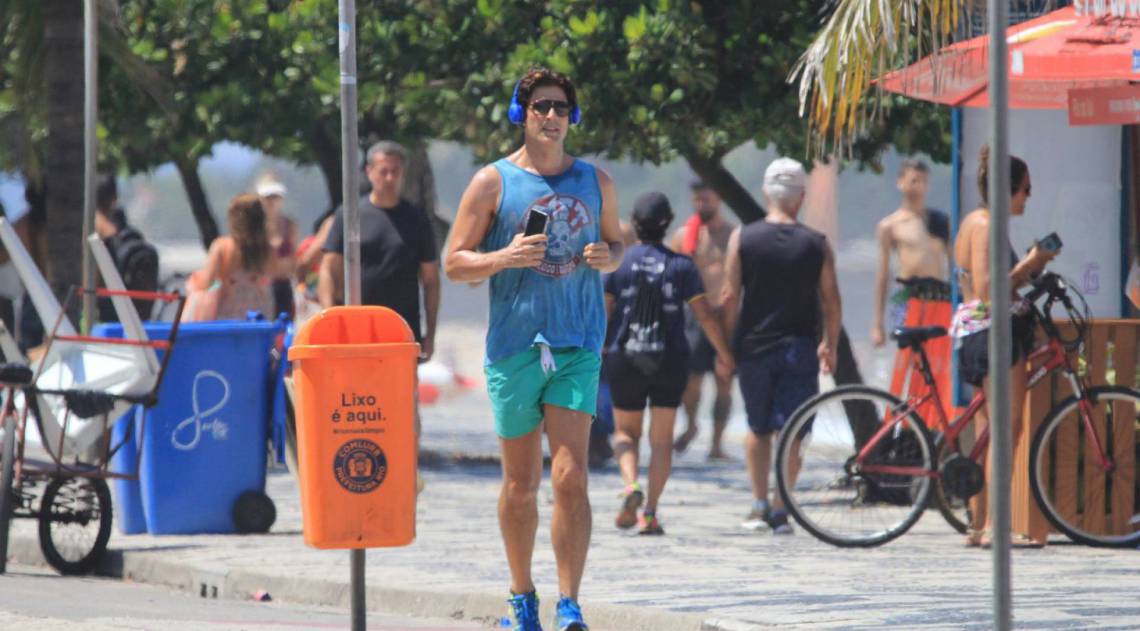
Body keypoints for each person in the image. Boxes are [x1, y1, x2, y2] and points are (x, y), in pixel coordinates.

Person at [444, 66, 624, 631]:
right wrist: (504, 258)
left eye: (561, 108)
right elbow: (454, 262)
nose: (552, 116)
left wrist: (608, 257)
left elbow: (617, 245)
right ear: (522, 114)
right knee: (521, 486)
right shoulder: (492, 183)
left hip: (576, 341)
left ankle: (570, 603)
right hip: (515, 347)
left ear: (574, 117)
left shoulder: (597, 181)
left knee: (570, 477)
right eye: (541, 107)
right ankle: (522, 597)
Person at [721, 158, 842, 535]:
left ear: (765, 193)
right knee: (794, 431)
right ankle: (780, 505)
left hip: (753, 347)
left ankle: (759, 503)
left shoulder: (742, 237)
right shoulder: (816, 243)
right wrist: (830, 343)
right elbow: (831, 300)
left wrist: (725, 349)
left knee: (757, 429)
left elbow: (728, 297)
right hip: (799, 348)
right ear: (801, 197)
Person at [605, 192, 733, 536]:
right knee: (661, 441)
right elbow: (704, 316)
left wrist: (594, 352)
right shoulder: (682, 266)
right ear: (668, 223)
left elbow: (605, 313)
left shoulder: (620, 264)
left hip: (625, 357)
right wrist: (724, 352)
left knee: (624, 434)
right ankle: (649, 513)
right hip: (670, 359)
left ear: (634, 223)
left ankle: (631, 484)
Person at [952, 145, 1054, 547]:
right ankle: (993, 525)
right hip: (993, 333)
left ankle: (979, 526)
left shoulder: (973, 222)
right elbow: (988, 289)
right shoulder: (986, 223)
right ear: (1008, 188)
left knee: (988, 431)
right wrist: (1031, 263)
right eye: (1026, 189)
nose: (1029, 196)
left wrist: (1033, 266)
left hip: (977, 333)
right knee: (1006, 431)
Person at [319, 140, 440, 365]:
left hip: (402, 331)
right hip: (355, 329)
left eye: (395, 172)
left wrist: (430, 334)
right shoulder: (349, 215)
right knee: (357, 396)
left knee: (400, 398)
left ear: (403, 174)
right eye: (383, 171)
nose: (389, 178)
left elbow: (431, 280)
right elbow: (328, 268)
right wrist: (329, 318)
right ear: (369, 172)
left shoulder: (417, 220)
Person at [669, 179, 735, 460]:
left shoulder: (733, 235)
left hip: (725, 314)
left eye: (707, 199)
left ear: (719, 199)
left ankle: (717, 444)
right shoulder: (684, 236)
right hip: (694, 316)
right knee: (691, 381)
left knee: (724, 381)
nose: (702, 204)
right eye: (698, 200)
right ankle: (692, 424)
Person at [197, 194, 275, 321]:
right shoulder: (268, 249)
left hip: (228, 311)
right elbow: (275, 277)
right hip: (259, 311)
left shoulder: (221, 246)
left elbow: (208, 283)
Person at [93, 174, 159, 324]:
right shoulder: (124, 229)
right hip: (132, 315)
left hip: (106, 311)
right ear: (114, 198)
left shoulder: (96, 227)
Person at [257, 176, 300, 320]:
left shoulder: (289, 225)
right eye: (268, 197)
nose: (272, 201)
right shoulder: (256, 228)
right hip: (262, 286)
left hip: (283, 284)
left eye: (275, 197)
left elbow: (294, 258)